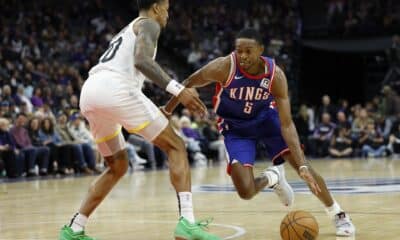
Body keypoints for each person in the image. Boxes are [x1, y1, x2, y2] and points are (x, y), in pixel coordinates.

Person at [164, 28, 355, 236]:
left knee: (304, 166)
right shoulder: (224, 66)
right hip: (235, 127)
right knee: (245, 191)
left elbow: (287, 124)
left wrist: (300, 164)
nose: (243, 56)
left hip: (266, 119)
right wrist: (167, 109)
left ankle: (338, 214)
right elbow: (187, 82)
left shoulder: (276, 76)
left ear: (261, 50)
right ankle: (273, 178)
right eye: (239, 51)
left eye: (249, 51)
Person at [59, 1, 220, 240]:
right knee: (176, 145)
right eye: (166, 7)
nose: (168, 13)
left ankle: (74, 229)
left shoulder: (126, 30)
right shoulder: (149, 24)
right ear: (156, 7)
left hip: (91, 92)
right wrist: (178, 90)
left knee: (118, 166)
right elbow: (142, 62)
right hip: (116, 89)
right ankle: (187, 222)